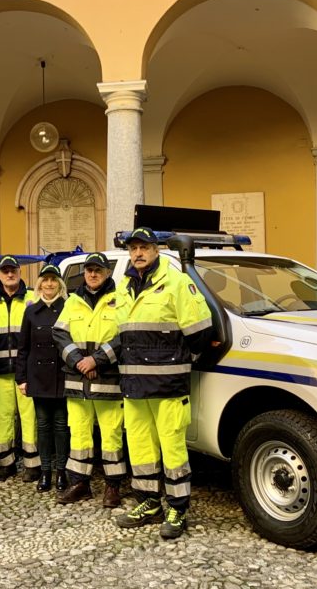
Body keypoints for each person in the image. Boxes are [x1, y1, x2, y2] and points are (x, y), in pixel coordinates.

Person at [113, 227, 212, 539]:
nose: (138, 253)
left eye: (144, 247)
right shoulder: (124, 286)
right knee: (140, 449)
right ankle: (149, 502)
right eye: (133, 249)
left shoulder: (177, 282)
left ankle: (178, 508)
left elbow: (200, 333)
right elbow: (123, 335)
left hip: (168, 386)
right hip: (134, 387)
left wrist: (181, 362)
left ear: (156, 250)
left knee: (172, 450)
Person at [52, 252, 126, 507]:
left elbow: (124, 336)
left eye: (98, 270)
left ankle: (112, 487)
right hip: (77, 380)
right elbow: (59, 334)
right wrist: (78, 362)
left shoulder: (119, 299)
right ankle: (80, 484)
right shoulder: (72, 301)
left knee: (111, 436)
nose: (92, 274)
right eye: (89, 270)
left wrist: (97, 360)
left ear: (107, 273)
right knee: (80, 436)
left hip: (107, 379)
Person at [0, 255, 40, 482]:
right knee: (2, 419)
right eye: (5, 271)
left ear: (19, 272)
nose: (9, 274)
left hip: (26, 372)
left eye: (13, 270)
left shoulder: (32, 299)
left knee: (29, 417)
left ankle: (32, 464)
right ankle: (6, 465)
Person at [15, 263, 68, 493]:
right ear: (39, 285)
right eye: (45, 280)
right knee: (43, 426)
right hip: (38, 377)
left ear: (60, 284)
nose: (49, 284)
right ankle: (45, 472)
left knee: (61, 426)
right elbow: (23, 348)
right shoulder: (31, 311)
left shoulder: (68, 308)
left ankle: (62, 473)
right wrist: (21, 378)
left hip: (62, 376)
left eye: (53, 280)